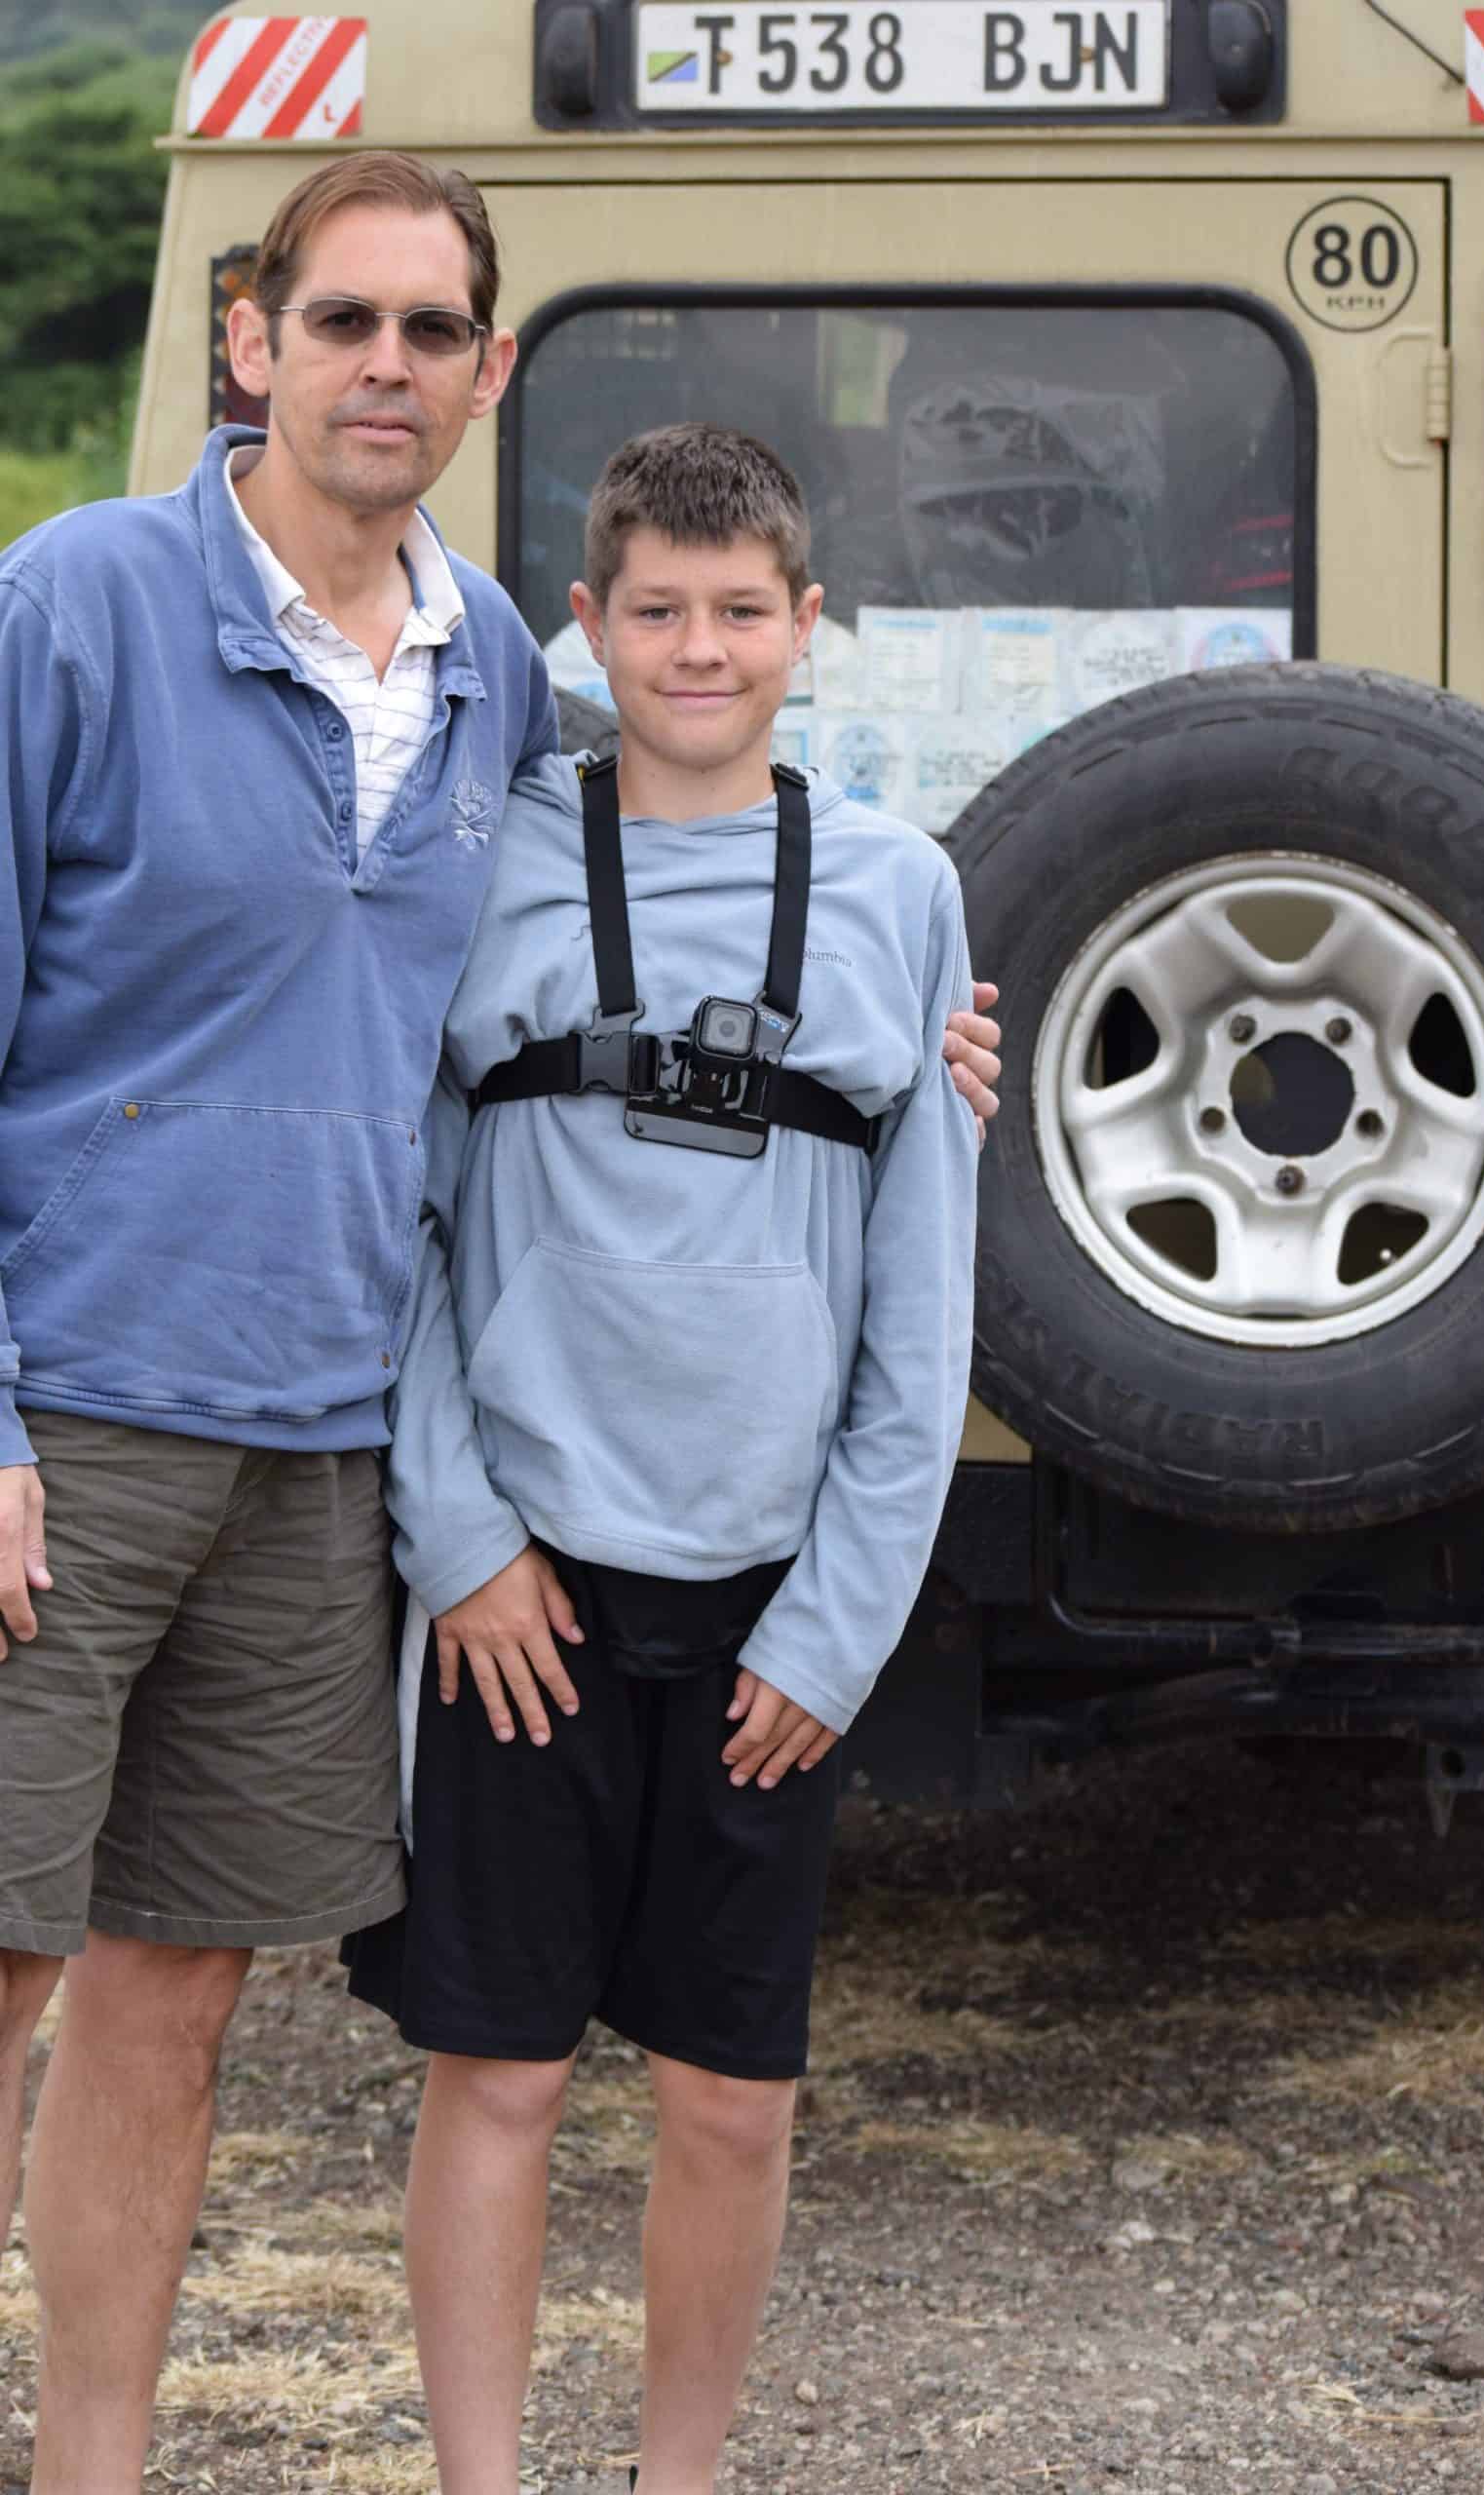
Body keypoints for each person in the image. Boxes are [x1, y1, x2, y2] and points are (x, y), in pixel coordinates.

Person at [0, 157, 1004, 2494]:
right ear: (249, 336)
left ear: (487, 370)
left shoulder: (489, 692)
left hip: (323, 1432)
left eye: (427, 330)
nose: (381, 365)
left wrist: (927, 1022)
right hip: (78, 1396)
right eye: (336, 318)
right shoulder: (77, 603)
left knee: (174, 1979)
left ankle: (92, 2466)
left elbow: (723, 831)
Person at [344, 421, 980, 2495]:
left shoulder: (895, 889)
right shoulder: (489, 857)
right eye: (655, 612)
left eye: (738, 612)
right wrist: (456, 1537)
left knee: (729, 2096)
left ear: (808, 624)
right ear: (589, 626)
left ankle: (678, 2472)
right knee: (498, 2072)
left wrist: (842, 1622)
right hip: (519, 1587)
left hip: (770, 1605)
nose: (695, 649)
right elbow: (408, 1233)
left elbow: (924, 1300)